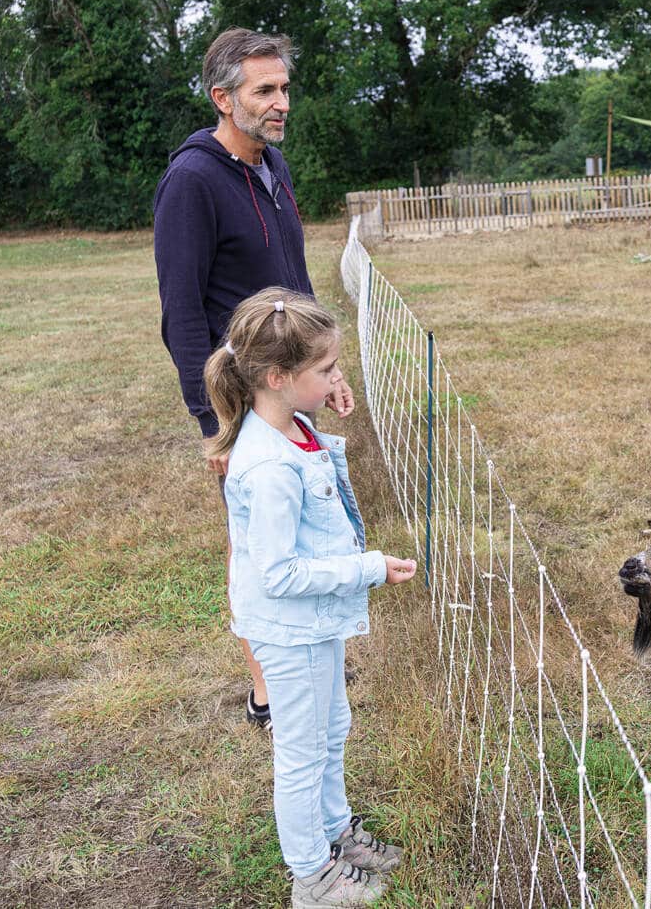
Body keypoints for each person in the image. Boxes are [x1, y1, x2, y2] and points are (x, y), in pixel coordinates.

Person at [154, 27, 354, 728]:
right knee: (255, 542)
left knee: (301, 523)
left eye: (284, 89)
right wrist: (211, 423)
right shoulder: (192, 181)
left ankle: (300, 651)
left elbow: (294, 284)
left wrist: (326, 372)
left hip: (290, 387)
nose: (281, 103)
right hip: (242, 401)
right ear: (223, 98)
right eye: (264, 90)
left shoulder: (275, 167)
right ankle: (269, 692)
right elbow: (180, 312)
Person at [204, 287, 415, 907]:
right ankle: (310, 875)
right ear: (277, 376)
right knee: (301, 750)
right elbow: (278, 574)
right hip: (288, 626)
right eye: (324, 370)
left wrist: (323, 386)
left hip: (313, 622)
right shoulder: (268, 468)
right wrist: (365, 568)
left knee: (332, 727)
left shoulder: (294, 424)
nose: (335, 379)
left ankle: (334, 833)